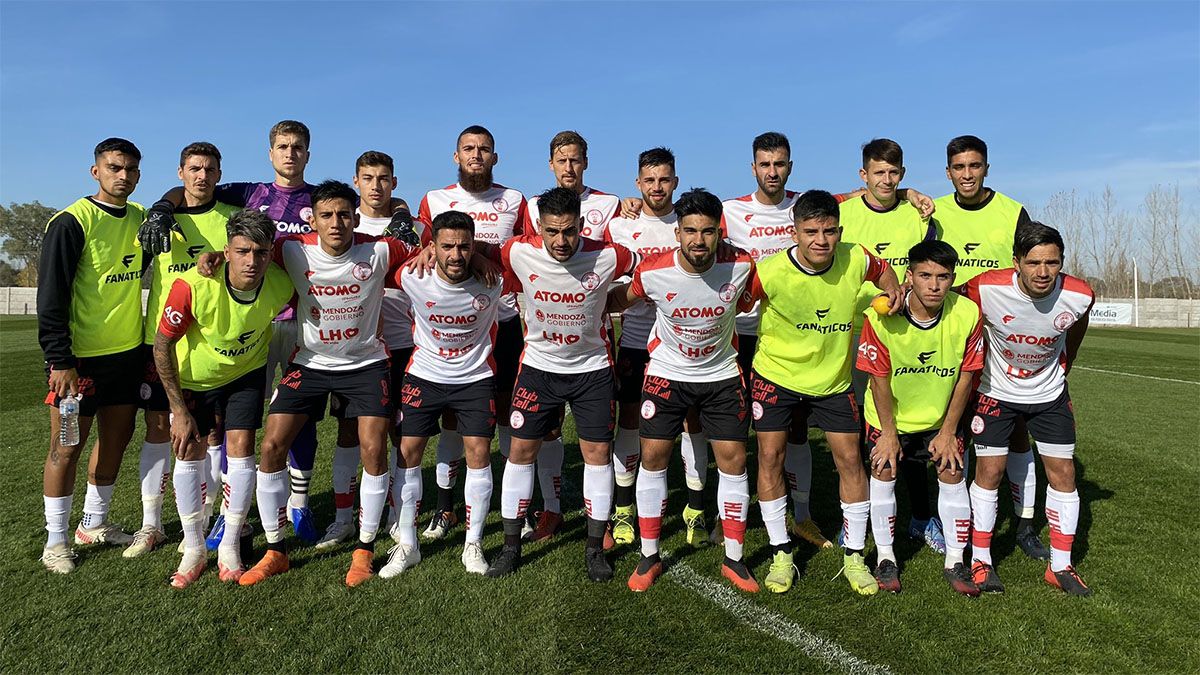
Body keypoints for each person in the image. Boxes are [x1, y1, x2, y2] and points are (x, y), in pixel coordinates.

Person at [230, 180, 423, 587]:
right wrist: (215, 258)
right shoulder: (292, 249)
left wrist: (422, 239)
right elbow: (250, 251)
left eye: (344, 215)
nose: (336, 223)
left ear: (356, 217)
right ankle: (275, 550)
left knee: (373, 448)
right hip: (311, 362)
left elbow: (429, 248)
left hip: (366, 364)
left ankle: (364, 550)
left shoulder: (380, 249)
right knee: (271, 446)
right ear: (313, 220)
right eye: (327, 215)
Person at [140, 120, 324, 546]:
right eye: (282, 146)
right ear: (271, 153)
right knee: (234, 424)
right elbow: (190, 190)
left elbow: (370, 205)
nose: (290, 153)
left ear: (308, 154)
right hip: (254, 326)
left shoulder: (320, 200)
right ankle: (227, 512)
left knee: (301, 414)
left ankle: (299, 504)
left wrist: (401, 212)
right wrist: (162, 208)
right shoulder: (248, 193)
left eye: (298, 147)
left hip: (300, 322)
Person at [744, 190, 901, 595]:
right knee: (770, 457)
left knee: (850, 460)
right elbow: (733, 306)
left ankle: (855, 556)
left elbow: (883, 269)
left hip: (833, 382)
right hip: (776, 376)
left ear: (839, 232)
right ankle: (781, 553)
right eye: (811, 231)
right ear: (794, 232)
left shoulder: (856, 257)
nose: (821, 240)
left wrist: (892, 288)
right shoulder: (770, 272)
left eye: (829, 231)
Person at [607, 188, 759, 592]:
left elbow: (754, 301)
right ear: (677, 233)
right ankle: (649, 556)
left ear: (719, 232)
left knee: (734, 461)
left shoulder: (742, 265)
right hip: (667, 374)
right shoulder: (653, 271)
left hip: (721, 375)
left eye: (707, 231)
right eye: (690, 231)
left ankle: (734, 558)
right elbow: (621, 298)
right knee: (653, 457)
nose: (698, 240)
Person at [485, 187, 635, 582]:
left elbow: (652, 267)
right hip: (539, 369)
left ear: (582, 225)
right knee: (520, 451)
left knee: (596, 454)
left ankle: (594, 548)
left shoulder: (608, 255)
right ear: (539, 227)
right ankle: (510, 547)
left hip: (592, 372)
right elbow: (479, 254)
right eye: (552, 231)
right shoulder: (518, 251)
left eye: (569, 231)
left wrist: (620, 300)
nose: (561, 240)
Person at [151, 209, 294, 586]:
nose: (252, 261)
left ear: (271, 253)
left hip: (246, 374)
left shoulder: (281, 284)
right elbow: (162, 345)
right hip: (195, 381)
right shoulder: (192, 285)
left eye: (261, 252)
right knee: (189, 451)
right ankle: (194, 547)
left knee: (242, 450)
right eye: (242, 251)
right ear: (226, 251)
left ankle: (229, 545)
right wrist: (177, 408)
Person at [933, 134, 1047, 561]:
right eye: (959, 167)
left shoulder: (1013, 212)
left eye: (974, 166)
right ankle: (953, 521)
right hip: (949, 336)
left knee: (1016, 433)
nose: (967, 174)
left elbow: (1033, 265)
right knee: (950, 426)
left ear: (986, 168)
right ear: (948, 172)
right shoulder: (932, 212)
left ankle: (1024, 523)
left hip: (1001, 341)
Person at [965, 222, 1094, 596]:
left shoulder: (1080, 295)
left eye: (1052, 262)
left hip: (1049, 393)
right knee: (990, 470)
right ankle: (981, 560)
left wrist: (1066, 362)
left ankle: (1061, 566)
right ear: (1016, 262)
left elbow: (1078, 324)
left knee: (1064, 473)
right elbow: (949, 307)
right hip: (996, 392)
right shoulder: (985, 287)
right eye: (1033, 262)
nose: (1043, 272)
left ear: (1061, 262)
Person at [37, 138, 146, 573]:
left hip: (126, 355)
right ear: (95, 171)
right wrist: (59, 360)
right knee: (66, 446)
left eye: (131, 169)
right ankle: (55, 541)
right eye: (114, 167)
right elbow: (51, 297)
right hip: (77, 363)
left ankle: (93, 523)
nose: (123, 176)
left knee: (117, 439)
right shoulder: (71, 222)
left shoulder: (141, 218)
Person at [126, 142, 239, 559]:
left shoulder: (232, 218)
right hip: (164, 342)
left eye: (209, 169)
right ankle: (151, 524)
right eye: (194, 169)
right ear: (180, 173)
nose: (201, 176)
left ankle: (204, 512)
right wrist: (161, 207)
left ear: (219, 175)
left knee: (212, 432)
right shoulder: (160, 218)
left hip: (212, 344)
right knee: (159, 428)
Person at [854, 240, 984, 596]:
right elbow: (878, 379)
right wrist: (888, 434)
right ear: (909, 277)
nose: (934, 285)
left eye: (943, 277)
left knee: (952, 472)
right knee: (884, 470)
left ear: (952, 278)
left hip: (939, 418)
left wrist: (948, 431)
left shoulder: (967, 313)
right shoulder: (880, 316)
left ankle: (955, 561)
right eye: (925, 275)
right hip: (889, 417)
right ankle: (886, 558)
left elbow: (967, 376)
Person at [416, 125, 527, 541]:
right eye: (468, 148)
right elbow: (425, 250)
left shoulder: (515, 199)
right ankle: (445, 509)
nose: (476, 154)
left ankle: (516, 505)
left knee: (510, 414)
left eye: (484, 149)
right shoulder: (435, 199)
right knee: (452, 420)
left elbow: (527, 248)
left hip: (505, 320)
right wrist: (472, 254)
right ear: (456, 156)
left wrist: (483, 255)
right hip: (456, 326)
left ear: (495, 157)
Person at [381, 211, 504, 577]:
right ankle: (408, 544)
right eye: (447, 246)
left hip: (475, 377)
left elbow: (525, 253)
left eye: (464, 247)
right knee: (407, 454)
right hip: (425, 375)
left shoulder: (494, 279)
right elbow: (376, 259)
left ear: (474, 246)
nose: (456, 255)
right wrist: (417, 250)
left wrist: (484, 254)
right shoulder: (411, 275)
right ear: (432, 247)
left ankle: (473, 544)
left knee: (478, 453)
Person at [838, 138, 942, 555]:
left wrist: (910, 196)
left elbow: (926, 265)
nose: (886, 180)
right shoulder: (844, 213)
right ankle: (857, 518)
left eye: (894, 173)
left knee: (909, 428)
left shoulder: (917, 215)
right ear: (863, 175)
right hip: (852, 335)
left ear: (903, 174)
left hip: (906, 334)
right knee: (857, 432)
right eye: (878, 172)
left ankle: (921, 517)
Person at [521, 130, 623, 542]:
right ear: (551, 164)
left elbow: (620, 256)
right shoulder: (532, 206)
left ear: (585, 163)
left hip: (591, 341)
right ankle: (551, 508)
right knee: (547, 431)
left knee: (597, 439)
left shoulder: (610, 204)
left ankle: (604, 517)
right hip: (544, 340)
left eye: (575, 159)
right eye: (561, 160)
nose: (569, 166)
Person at [603, 147, 703, 548]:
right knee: (629, 421)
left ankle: (696, 508)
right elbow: (608, 282)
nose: (657, 187)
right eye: (649, 180)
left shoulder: (690, 224)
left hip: (684, 345)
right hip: (636, 340)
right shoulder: (620, 226)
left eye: (664, 180)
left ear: (675, 181)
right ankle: (623, 507)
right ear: (638, 183)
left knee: (692, 422)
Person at [318, 151, 418, 549]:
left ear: (394, 182)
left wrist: (407, 218)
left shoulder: (413, 226)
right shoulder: (343, 221)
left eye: (384, 178)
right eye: (368, 178)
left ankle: (395, 513)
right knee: (348, 433)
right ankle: (343, 517)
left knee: (399, 433)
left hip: (404, 342)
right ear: (356, 182)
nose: (376, 185)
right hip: (353, 350)